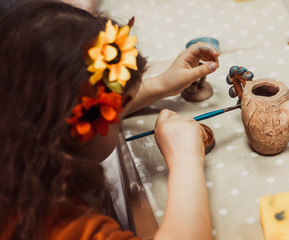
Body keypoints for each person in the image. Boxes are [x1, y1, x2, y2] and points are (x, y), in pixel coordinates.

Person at [0, 1, 220, 240]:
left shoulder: (18, 136)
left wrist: (161, 84)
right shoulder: (55, 227)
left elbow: (92, 110)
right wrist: (185, 161)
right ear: (70, 136)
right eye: (115, 118)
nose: (119, 116)